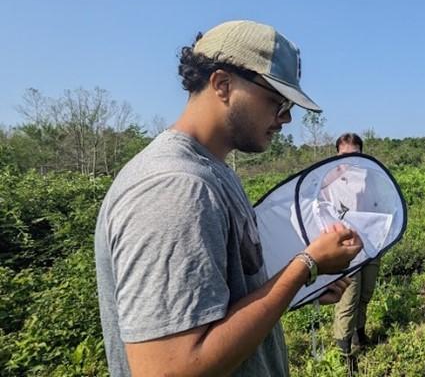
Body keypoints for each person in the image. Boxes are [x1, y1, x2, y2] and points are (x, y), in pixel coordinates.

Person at [94, 20, 363, 377]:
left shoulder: (214, 171)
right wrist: (306, 266)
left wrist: (295, 288)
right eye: (275, 100)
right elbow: (168, 368)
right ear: (222, 84)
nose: (285, 118)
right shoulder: (175, 188)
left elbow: (223, 306)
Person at [328, 133, 381, 367]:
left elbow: (378, 206)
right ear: (337, 154)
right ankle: (344, 354)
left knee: (365, 295)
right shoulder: (328, 180)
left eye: (355, 154)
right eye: (345, 155)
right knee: (348, 299)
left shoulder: (370, 177)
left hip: (370, 245)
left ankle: (361, 336)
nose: (350, 159)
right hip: (346, 249)